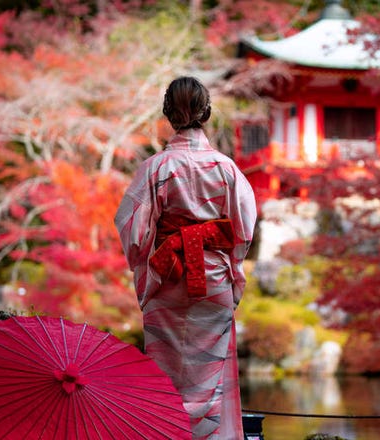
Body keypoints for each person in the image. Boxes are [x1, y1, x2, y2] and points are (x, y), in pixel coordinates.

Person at [114, 76, 257, 440]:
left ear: (167, 113)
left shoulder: (155, 168)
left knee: (164, 378)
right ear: (206, 113)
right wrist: (233, 269)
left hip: (169, 276)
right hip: (213, 282)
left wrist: (149, 258)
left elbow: (133, 232)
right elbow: (243, 231)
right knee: (214, 377)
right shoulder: (226, 169)